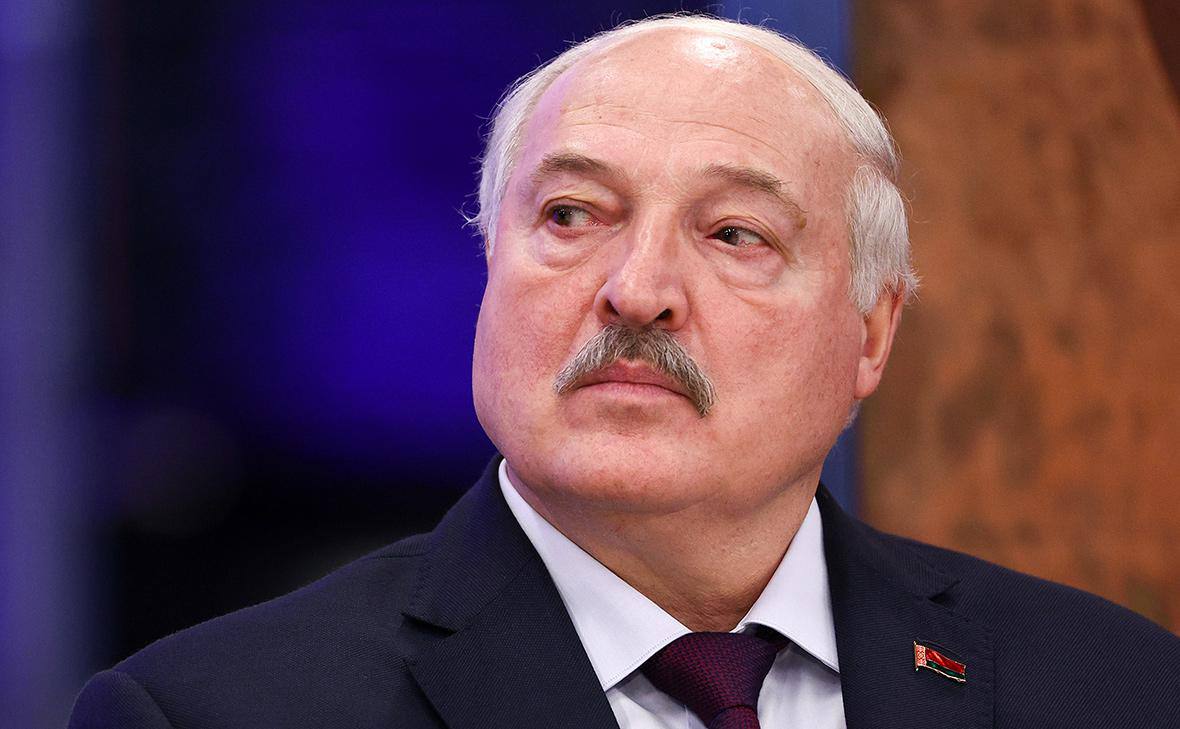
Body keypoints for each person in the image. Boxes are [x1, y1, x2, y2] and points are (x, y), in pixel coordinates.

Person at [69, 14, 1179, 729]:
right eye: (571, 215)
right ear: (490, 270)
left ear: (870, 334)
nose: (637, 289)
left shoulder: (1115, 690)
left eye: (735, 234)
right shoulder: (209, 711)